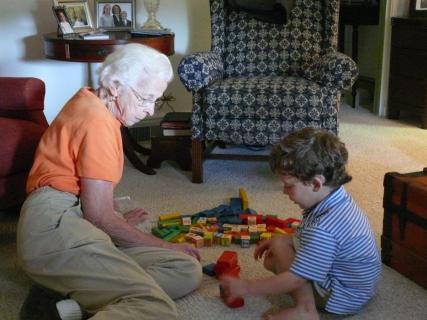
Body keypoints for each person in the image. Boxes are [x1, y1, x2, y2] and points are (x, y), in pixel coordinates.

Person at [17, 43, 202, 320]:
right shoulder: (98, 123)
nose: (150, 111)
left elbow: (94, 204)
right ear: (115, 86)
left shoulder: (90, 100)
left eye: (157, 100)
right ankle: (91, 291)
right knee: (154, 307)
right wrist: (165, 244)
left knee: (185, 269)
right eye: (144, 98)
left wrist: (116, 220)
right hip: (54, 226)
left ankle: (64, 307)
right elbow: (100, 216)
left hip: (71, 218)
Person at [220, 127, 381, 320]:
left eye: (289, 186)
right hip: (354, 286)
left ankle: (306, 311)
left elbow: (296, 279)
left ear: (315, 184)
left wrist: (247, 288)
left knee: (284, 261)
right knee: (278, 246)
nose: (284, 192)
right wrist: (286, 239)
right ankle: (304, 299)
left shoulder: (324, 228)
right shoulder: (337, 199)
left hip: (341, 297)